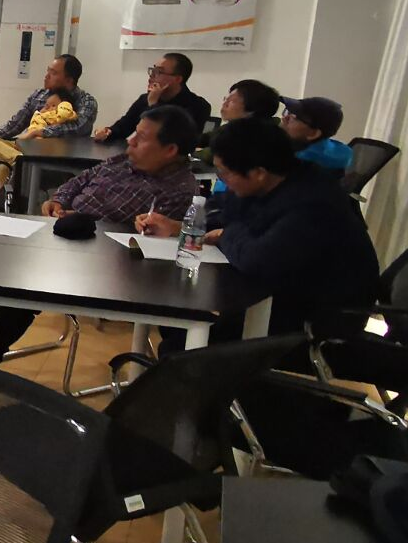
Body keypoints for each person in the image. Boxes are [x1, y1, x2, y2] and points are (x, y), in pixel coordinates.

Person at [0, 107, 203, 362]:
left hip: (100, 261)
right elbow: (80, 179)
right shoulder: (124, 160)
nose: (130, 141)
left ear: (170, 150)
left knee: (16, 279)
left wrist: (83, 221)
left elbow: (140, 240)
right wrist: (59, 200)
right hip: (63, 234)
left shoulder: (179, 191)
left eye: (141, 138)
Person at [138, 119, 378, 348]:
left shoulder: (313, 202)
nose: (223, 181)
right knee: (176, 325)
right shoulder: (269, 181)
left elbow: (256, 258)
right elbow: (223, 213)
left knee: (180, 346)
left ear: (258, 173)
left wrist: (226, 234)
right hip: (276, 297)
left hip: (317, 321)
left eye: (224, 173)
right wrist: (176, 226)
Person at [94, 53, 211, 143]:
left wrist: (153, 106)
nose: (152, 76)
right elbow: (124, 127)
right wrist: (108, 132)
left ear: (177, 79)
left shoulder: (198, 106)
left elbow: (170, 140)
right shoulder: (145, 99)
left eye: (159, 72)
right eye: (152, 70)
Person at [0, 89, 78, 184]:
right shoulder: (39, 117)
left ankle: (15, 161)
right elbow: (14, 126)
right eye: (46, 106)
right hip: (20, 145)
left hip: (33, 149)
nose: (47, 109)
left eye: (53, 106)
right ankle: (15, 159)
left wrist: (34, 133)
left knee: (3, 166)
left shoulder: (61, 126)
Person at [0, 54, 98, 140]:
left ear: (69, 80)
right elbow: (15, 124)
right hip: (29, 149)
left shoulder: (87, 101)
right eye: (48, 71)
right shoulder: (39, 95)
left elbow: (78, 128)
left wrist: (40, 132)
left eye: (53, 73)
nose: (46, 76)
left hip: (63, 158)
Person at [196, 79, 281, 163]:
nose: (224, 104)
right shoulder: (232, 127)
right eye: (225, 99)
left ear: (252, 110)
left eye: (231, 101)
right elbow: (204, 138)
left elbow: (214, 155)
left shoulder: (258, 134)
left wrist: (195, 151)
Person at [280, 96, 354, 174]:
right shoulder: (342, 151)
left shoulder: (296, 162)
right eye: (288, 112)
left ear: (313, 134)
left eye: (294, 118)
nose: (284, 119)